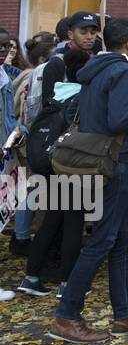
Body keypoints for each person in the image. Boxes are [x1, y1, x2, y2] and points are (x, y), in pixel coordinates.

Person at [47, 17, 128, 344]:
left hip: (101, 160)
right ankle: (67, 315)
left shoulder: (95, 69)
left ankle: (125, 312)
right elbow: (121, 119)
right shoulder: (123, 71)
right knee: (104, 239)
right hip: (116, 161)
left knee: (121, 238)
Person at [16, 46, 90, 298]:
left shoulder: (55, 94)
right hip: (71, 165)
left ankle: (31, 277)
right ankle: (67, 284)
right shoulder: (83, 96)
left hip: (49, 164)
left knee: (50, 220)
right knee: (73, 222)